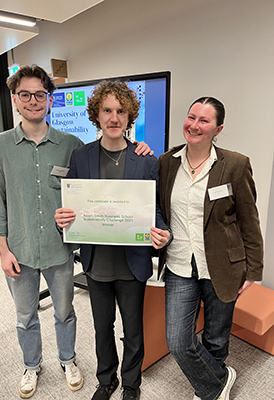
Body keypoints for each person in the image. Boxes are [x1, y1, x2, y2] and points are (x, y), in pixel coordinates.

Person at [0, 65, 151, 399]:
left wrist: (142, 149)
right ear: (15, 100)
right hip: (32, 250)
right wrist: (3, 250)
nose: (33, 101)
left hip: (73, 253)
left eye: (40, 94)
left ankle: (84, 366)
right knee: (29, 317)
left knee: (75, 315)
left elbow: (136, 200)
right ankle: (41, 367)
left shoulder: (79, 147)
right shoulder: (4, 147)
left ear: (50, 99)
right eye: (25, 95)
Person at [55, 80, 171, 400]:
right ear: (97, 114)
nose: (114, 117)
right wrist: (63, 219)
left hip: (132, 262)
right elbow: (73, 207)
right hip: (96, 263)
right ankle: (107, 380)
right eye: (107, 110)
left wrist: (162, 233)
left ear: (130, 115)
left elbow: (155, 210)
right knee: (102, 328)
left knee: (133, 331)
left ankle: (131, 384)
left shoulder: (146, 159)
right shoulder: (81, 156)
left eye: (121, 111)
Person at [158, 97, 264, 400]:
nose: (194, 125)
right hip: (179, 264)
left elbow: (249, 220)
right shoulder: (167, 162)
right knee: (178, 341)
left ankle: (208, 391)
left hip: (223, 264)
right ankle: (219, 380)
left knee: (216, 337)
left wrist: (253, 270)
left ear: (218, 128)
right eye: (191, 117)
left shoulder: (235, 164)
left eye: (204, 120)